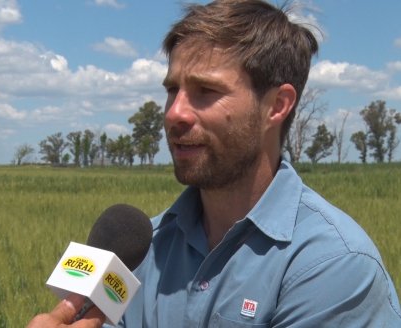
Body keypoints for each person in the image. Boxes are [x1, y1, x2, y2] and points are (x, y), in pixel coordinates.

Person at [29, 0, 401, 327]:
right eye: (172, 90)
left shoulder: (333, 266)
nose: (174, 113)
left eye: (206, 91)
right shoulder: (143, 251)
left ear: (277, 105)